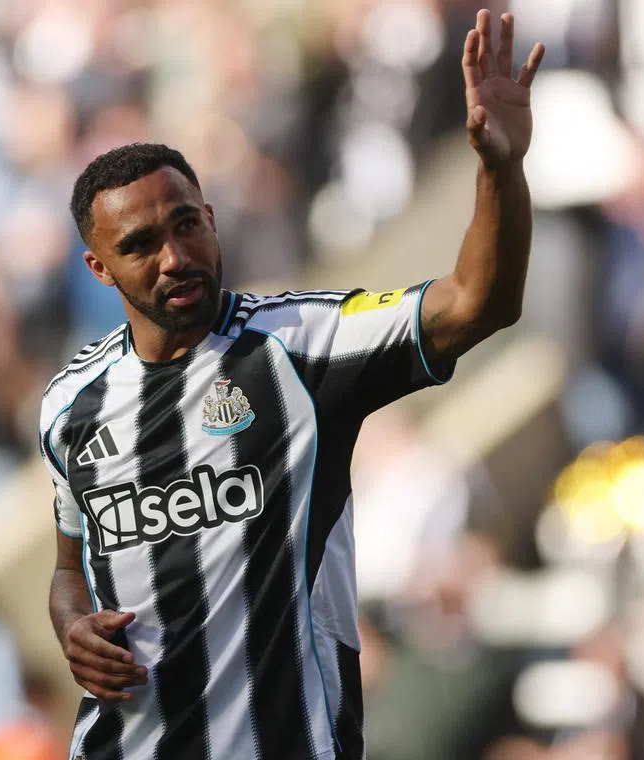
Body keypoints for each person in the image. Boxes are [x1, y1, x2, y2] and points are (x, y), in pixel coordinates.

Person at [39, 9, 545, 760]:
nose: (175, 257)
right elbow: (65, 567)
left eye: (186, 225)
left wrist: (500, 168)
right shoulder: (71, 404)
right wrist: (73, 629)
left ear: (212, 219)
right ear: (99, 268)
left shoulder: (303, 345)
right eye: (141, 245)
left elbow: (480, 301)